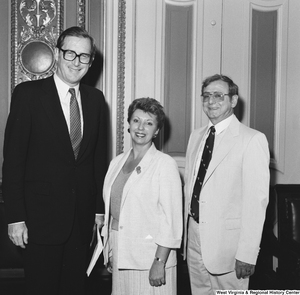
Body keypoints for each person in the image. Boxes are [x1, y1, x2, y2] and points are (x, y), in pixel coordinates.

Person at [2, 26, 107, 295]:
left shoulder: (96, 100)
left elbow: (97, 160)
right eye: (70, 53)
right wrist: (15, 217)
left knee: (75, 288)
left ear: (90, 62)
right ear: (57, 55)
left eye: (84, 56)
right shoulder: (28, 95)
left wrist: (98, 211)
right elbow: (13, 161)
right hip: (39, 222)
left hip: (81, 221)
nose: (76, 61)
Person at [183, 74, 270, 293]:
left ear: (233, 101)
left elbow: (256, 203)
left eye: (218, 96)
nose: (211, 102)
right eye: (206, 96)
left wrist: (247, 254)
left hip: (228, 247)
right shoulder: (196, 136)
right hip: (194, 238)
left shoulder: (251, 139)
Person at [101, 97, 183, 295]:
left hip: (151, 258)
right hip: (122, 251)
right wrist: (111, 250)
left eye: (149, 123)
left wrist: (159, 262)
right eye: (136, 120)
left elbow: (171, 220)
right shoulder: (117, 162)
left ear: (156, 131)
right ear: (129, 124)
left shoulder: (165, 164)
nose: (141, 127)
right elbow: (113, 212)